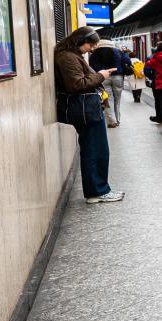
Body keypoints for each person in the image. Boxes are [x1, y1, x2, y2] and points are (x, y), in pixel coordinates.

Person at [53, 28, 123, 203]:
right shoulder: (67, 57)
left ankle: (97, 190)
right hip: (85, 110)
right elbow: (76, 84)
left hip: (88, 108)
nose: (92, 49)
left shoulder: (71, 55)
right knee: (96, 150)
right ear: (80, 40)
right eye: (90, 45)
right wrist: (101, 75)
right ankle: (97, 191)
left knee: (95, 149)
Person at [87, 40, 121, 128]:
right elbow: (127, 61)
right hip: (118, 77)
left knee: (107, 99)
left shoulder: (95, 53)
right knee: (117, 100)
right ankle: (117, 119)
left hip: (103, 77)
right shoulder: (117, 51)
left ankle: (111, 121)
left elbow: (91, 65)